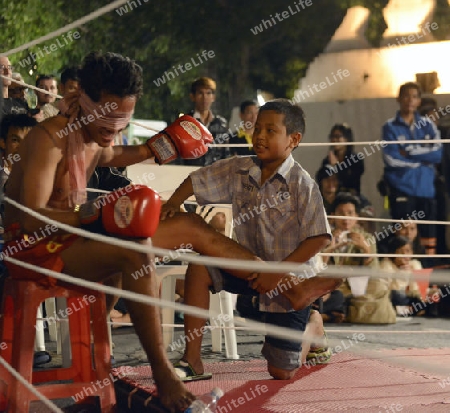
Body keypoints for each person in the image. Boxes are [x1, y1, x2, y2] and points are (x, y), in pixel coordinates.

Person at [3, 51, 252, 412]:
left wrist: (164, 146)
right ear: (87, 105)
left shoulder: (93, 138)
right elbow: (30, 221)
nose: (112, 134)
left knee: (188, 226)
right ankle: (164, 374)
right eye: (107, 124)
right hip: (31, 248)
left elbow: (114, 155)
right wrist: (93, 215)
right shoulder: (50, 138)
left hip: (71, 238)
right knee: (133, 250)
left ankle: (278, 284)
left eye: (121, 124)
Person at [160, 99, 342, 381]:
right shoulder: (238, 168)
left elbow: (318, 238)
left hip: (289, 279)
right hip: (247, 270)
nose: (260, 136)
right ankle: (192, 361)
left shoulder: (302, 183)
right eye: (257, 128)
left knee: (281, 371)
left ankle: (313, 325)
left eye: (271, 131)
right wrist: (173, 203)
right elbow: (196, 180)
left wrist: (277, 272)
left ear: (294, 140)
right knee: (199, 269)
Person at [382, 81, 442, 256]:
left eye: (414, 96)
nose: (410, 100)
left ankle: (429, 278)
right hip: (402, 190)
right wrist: (422, 161)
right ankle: (404, 276)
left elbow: (437, 154)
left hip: (426, 190)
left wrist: (409, 151)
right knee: (404, 235)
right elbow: (391, 159)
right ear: (398, 99)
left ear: (419, 101)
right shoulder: (389, 127)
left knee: (428, 237)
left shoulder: (428, 124)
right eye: (406, 95)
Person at [182, 76, 230, 166]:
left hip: (215, 175)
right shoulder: (184, 122)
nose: (205, 97)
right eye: (200, 93)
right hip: (189, 174)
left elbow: (226, 153)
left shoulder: (221, 123)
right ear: (192, 97)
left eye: (208, 93)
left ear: (213, 97)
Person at [379, 236, 427, 316]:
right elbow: (384, 289)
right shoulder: (386, 264)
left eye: (408, 251)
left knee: (423, 299)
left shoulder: (415, 264)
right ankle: (406, 310)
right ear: (392, 254)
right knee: (395, 295)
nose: (405, 255)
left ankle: (406, 310)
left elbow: (416, 291)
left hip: (407, 298)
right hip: (393, 297)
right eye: (400, 252)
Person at [320, 123, 364, 195]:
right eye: (332, 137)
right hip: (332, 197)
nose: (334, 140)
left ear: (347, 139)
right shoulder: (327, 160)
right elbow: (321, 179)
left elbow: (351, 181)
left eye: (337, 137)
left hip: (351, 196)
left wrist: (336, 166)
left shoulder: (356, 159)